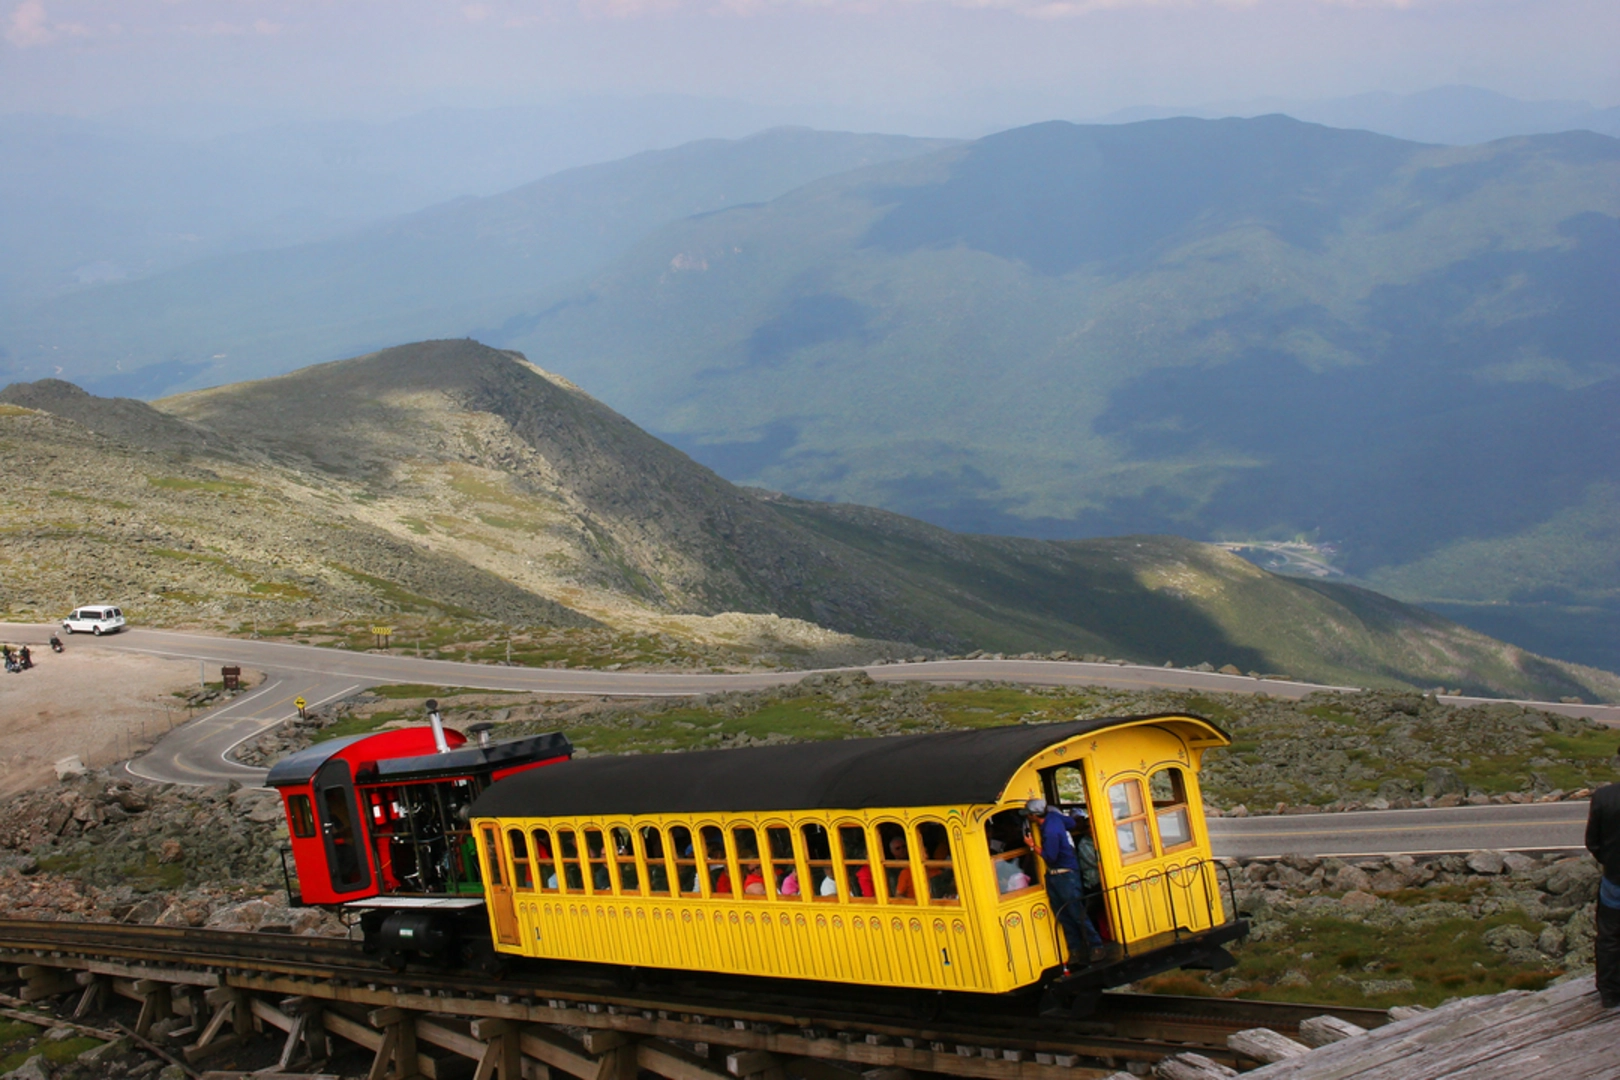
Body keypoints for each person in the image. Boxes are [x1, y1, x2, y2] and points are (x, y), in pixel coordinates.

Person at [1025, 798, 1107, 970]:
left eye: (1029, 815)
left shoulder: (1050, 831)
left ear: (1034, 815)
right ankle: (1077, 950)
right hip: (1060, 875)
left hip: (1063, 875)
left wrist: (1032, 846)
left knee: (1074, 913)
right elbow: (1071, 823)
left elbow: (1050, 857)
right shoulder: (1055, 818)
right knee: (1065, 914)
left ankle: (1095, 946)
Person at [1585, 749, 1620, 1007]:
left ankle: (1609, 993)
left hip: (1615, 880)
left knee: (1609, 936)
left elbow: (1592, 842)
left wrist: (1609, 862)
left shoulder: (1603, 797)